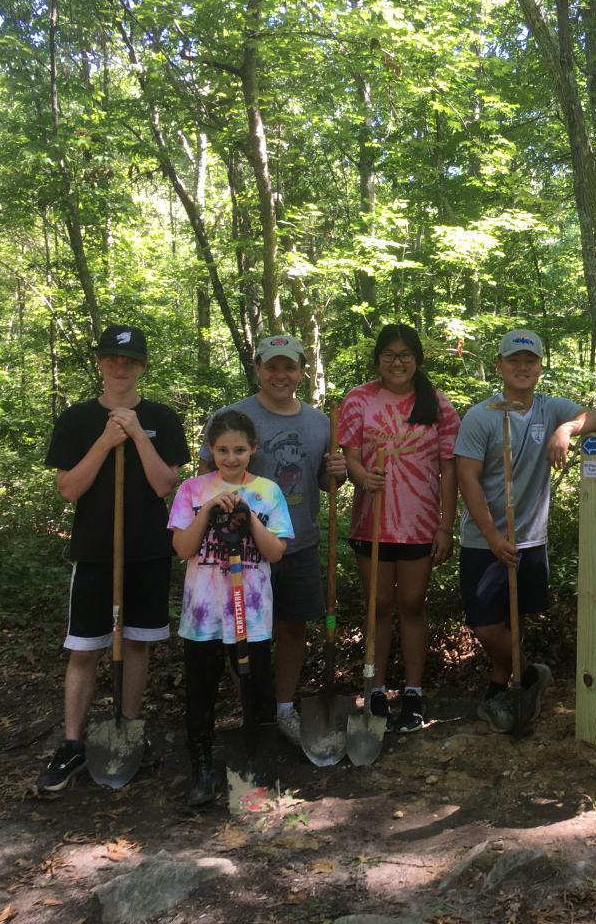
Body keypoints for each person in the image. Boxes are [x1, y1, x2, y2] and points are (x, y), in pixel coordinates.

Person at [38, 325, 190, 792]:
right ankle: (72, 744)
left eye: (130, 361)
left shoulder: (162, 418)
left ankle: (128, 729)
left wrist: (136, 434)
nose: (120, 367)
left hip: (147, 550)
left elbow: (166, 484)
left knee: (138, 642)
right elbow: (68, 489)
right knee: (85, 648)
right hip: (95, 551)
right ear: (100, 364)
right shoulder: (77, 419)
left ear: (142, 367)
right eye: (111, 359)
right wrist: (106, 440)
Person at [455, 329, 596, 733]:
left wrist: (567, 429)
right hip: (484, 540)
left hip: (531, 540)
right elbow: (466, 479)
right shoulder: (481, 415)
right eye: (513, 360)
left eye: (530, 361)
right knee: (487, 625)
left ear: (541, 367)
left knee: (514, 620)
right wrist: (491, 536)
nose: (522, 367)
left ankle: (498, 690)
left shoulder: (550, 408)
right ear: (500, 366)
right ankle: (530, 673)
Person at [197, 335, 347, 747]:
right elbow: (205, 479)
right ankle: (254, 707)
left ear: (301, 370)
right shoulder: (232, 416)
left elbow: (322, 482)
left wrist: (338, 471)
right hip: (240, 548)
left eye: (289, 367)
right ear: (258, 369)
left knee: (293, 626)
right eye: (272, 366)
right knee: (243, 631)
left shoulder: (319, 422)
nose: (281, 375)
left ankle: (282, 709)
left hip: (299, 541)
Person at [338, 324, 460, 733]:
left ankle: (413, 692)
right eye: (389, 354)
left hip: (419, 524)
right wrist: (360, 477)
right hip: (370, 521)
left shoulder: (438, 404)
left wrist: (446, 525)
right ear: (378, 359)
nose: (397, 361)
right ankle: (374, 688)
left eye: (405, 354)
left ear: (417, 359)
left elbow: (448, 468)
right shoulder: (358, 398)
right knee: (378, 607)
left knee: (411, 604)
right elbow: (351, 457)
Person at [170, 409, 293, 806]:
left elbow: (275, 553)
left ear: (253, 448)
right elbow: (182, 549)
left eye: (240, 449)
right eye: (222, 449)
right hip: (204, 613)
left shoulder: (269, 491)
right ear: (210, 449)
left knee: (257, 688)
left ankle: (257, 765)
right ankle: (202, 768)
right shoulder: (192, 490)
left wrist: (248, 517)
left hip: (251, 616)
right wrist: (208, 512)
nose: (231, 457)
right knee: (201, 691)